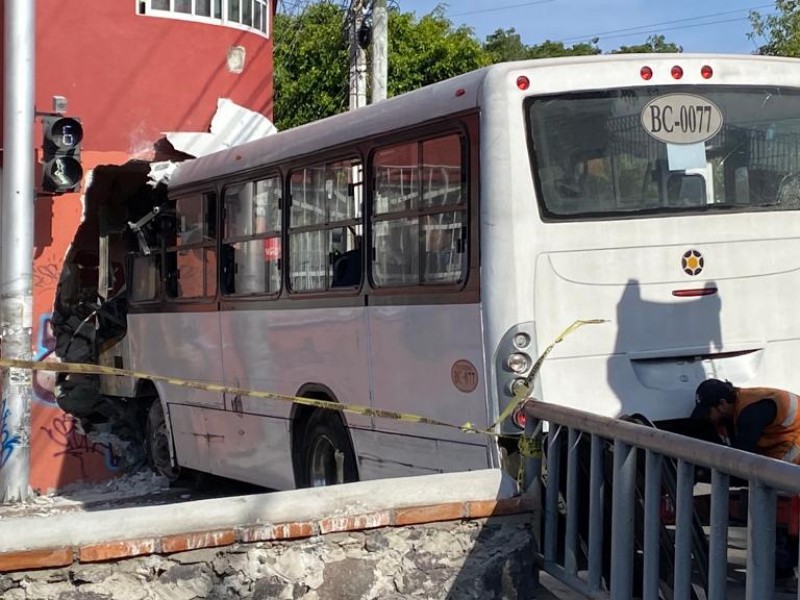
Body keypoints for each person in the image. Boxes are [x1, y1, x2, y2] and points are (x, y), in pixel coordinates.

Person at [691, 378, 800, 465]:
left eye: (708, 412)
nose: (706, 417)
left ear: (723, 404)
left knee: (775, 476)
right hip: (788, 435)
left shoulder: (751, 414)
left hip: (795, 440)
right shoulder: (741, 402)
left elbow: (741, 455)